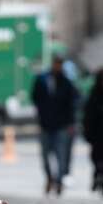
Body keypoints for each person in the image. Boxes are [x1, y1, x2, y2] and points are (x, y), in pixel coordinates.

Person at [31, 54, 81, 196]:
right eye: (55, 63)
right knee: (45, 156)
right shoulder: (42, 80)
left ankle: (58, 181)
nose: (57, 66)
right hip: (45, 124)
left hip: (61, 125)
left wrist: (71, 123)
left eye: (59, 64)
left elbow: (73, 103)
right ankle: (49, 177)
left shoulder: (67, 82)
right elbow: (35, 98)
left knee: (61, 155)